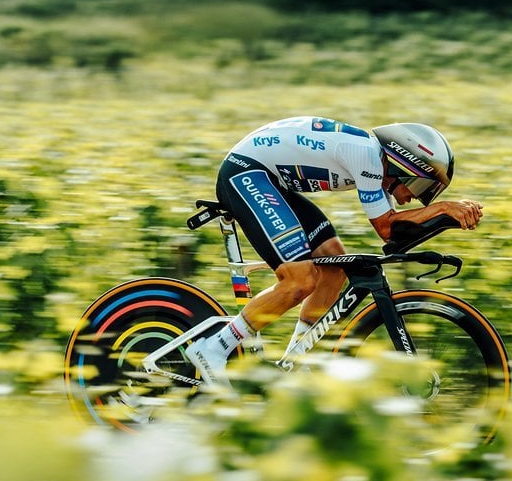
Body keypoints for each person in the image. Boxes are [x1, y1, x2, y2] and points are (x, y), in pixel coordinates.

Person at [184, 117, 483, 384]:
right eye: (420, 188)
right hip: (247, 173)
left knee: (334, 266)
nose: (415, 199)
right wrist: (443, 210)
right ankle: (214, 347)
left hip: (271, 181)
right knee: (299, 280)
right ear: (405, 166)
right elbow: (386, 228)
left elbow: (396, 238)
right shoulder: (367, 157)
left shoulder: (373, 162)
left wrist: (445, 218)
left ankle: (297, 361)